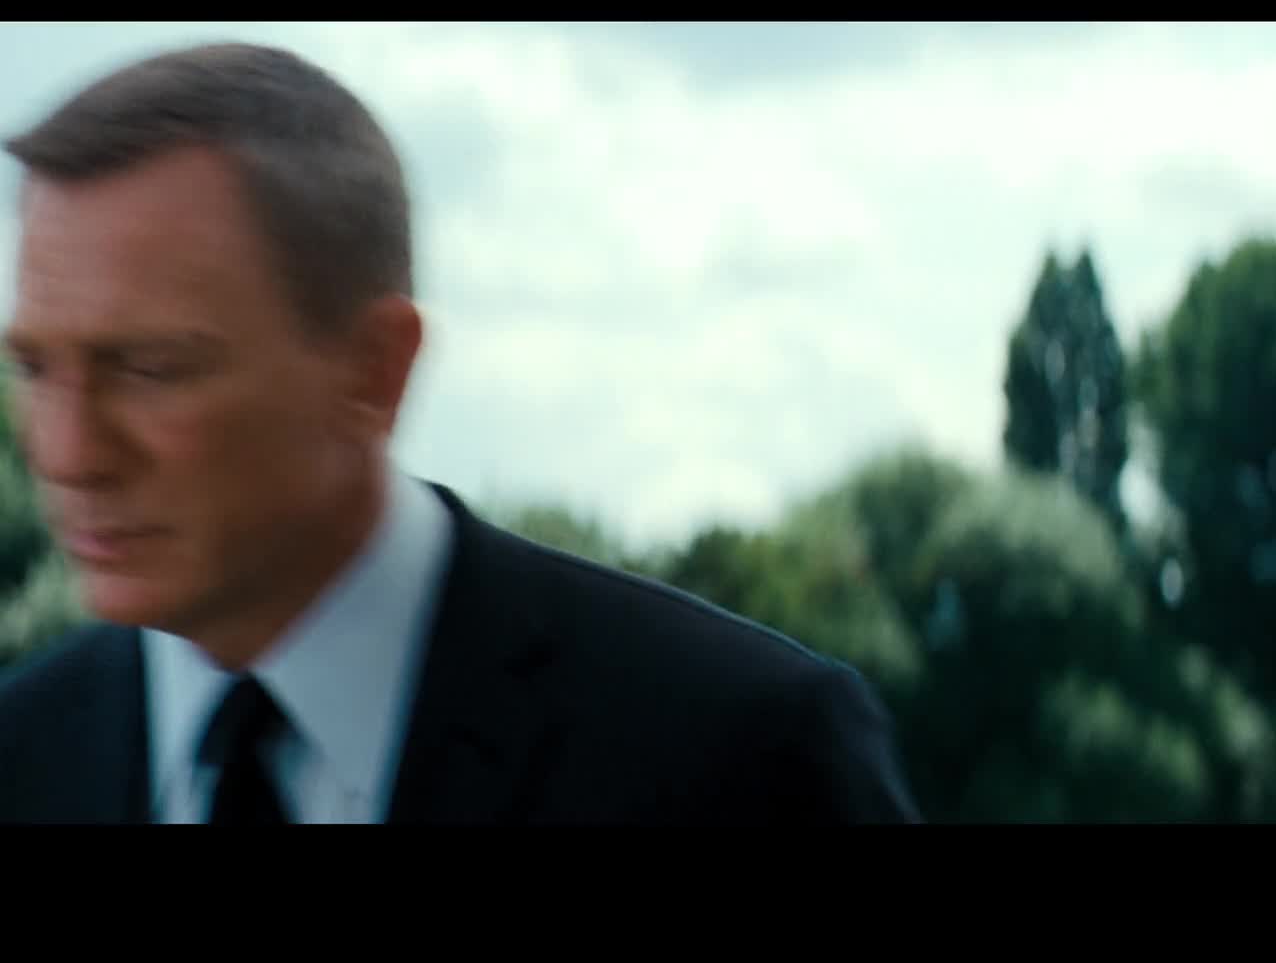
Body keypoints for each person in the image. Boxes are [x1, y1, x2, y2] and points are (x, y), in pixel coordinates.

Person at [0, 41, 923, 824]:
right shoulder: (20, 754)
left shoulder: (738, 755)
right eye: (34, 369)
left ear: (375, 370)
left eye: (151, 368)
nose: (67, 454)